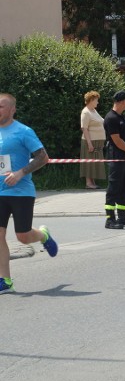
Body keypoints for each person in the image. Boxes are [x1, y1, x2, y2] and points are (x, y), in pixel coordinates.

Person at [0, 93, 57, 295]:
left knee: (23, 237)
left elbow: (43, 158)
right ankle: (5, 280)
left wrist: (20, 173)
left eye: (1, 106)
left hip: (20, 191)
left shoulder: (23, 131)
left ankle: (43, 235)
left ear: (12, 109)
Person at [103, 91, 125, 229]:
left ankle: (122, 217)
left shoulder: (123, 118)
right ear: (121, 101)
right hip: (116, 157)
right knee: (114, 188)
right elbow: (116, 140)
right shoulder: (110, 118)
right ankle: (110, 219)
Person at [80, 90, 106, 189]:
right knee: (89, 161)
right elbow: (84, 128)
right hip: (90, 141)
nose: (98, 102)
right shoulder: (85, 112)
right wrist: (89, 143)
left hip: (97, 141)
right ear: (91, 100)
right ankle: (88, 183)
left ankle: (92, 182)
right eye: (96, 100)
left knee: (94, 162)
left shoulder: (94, 111)